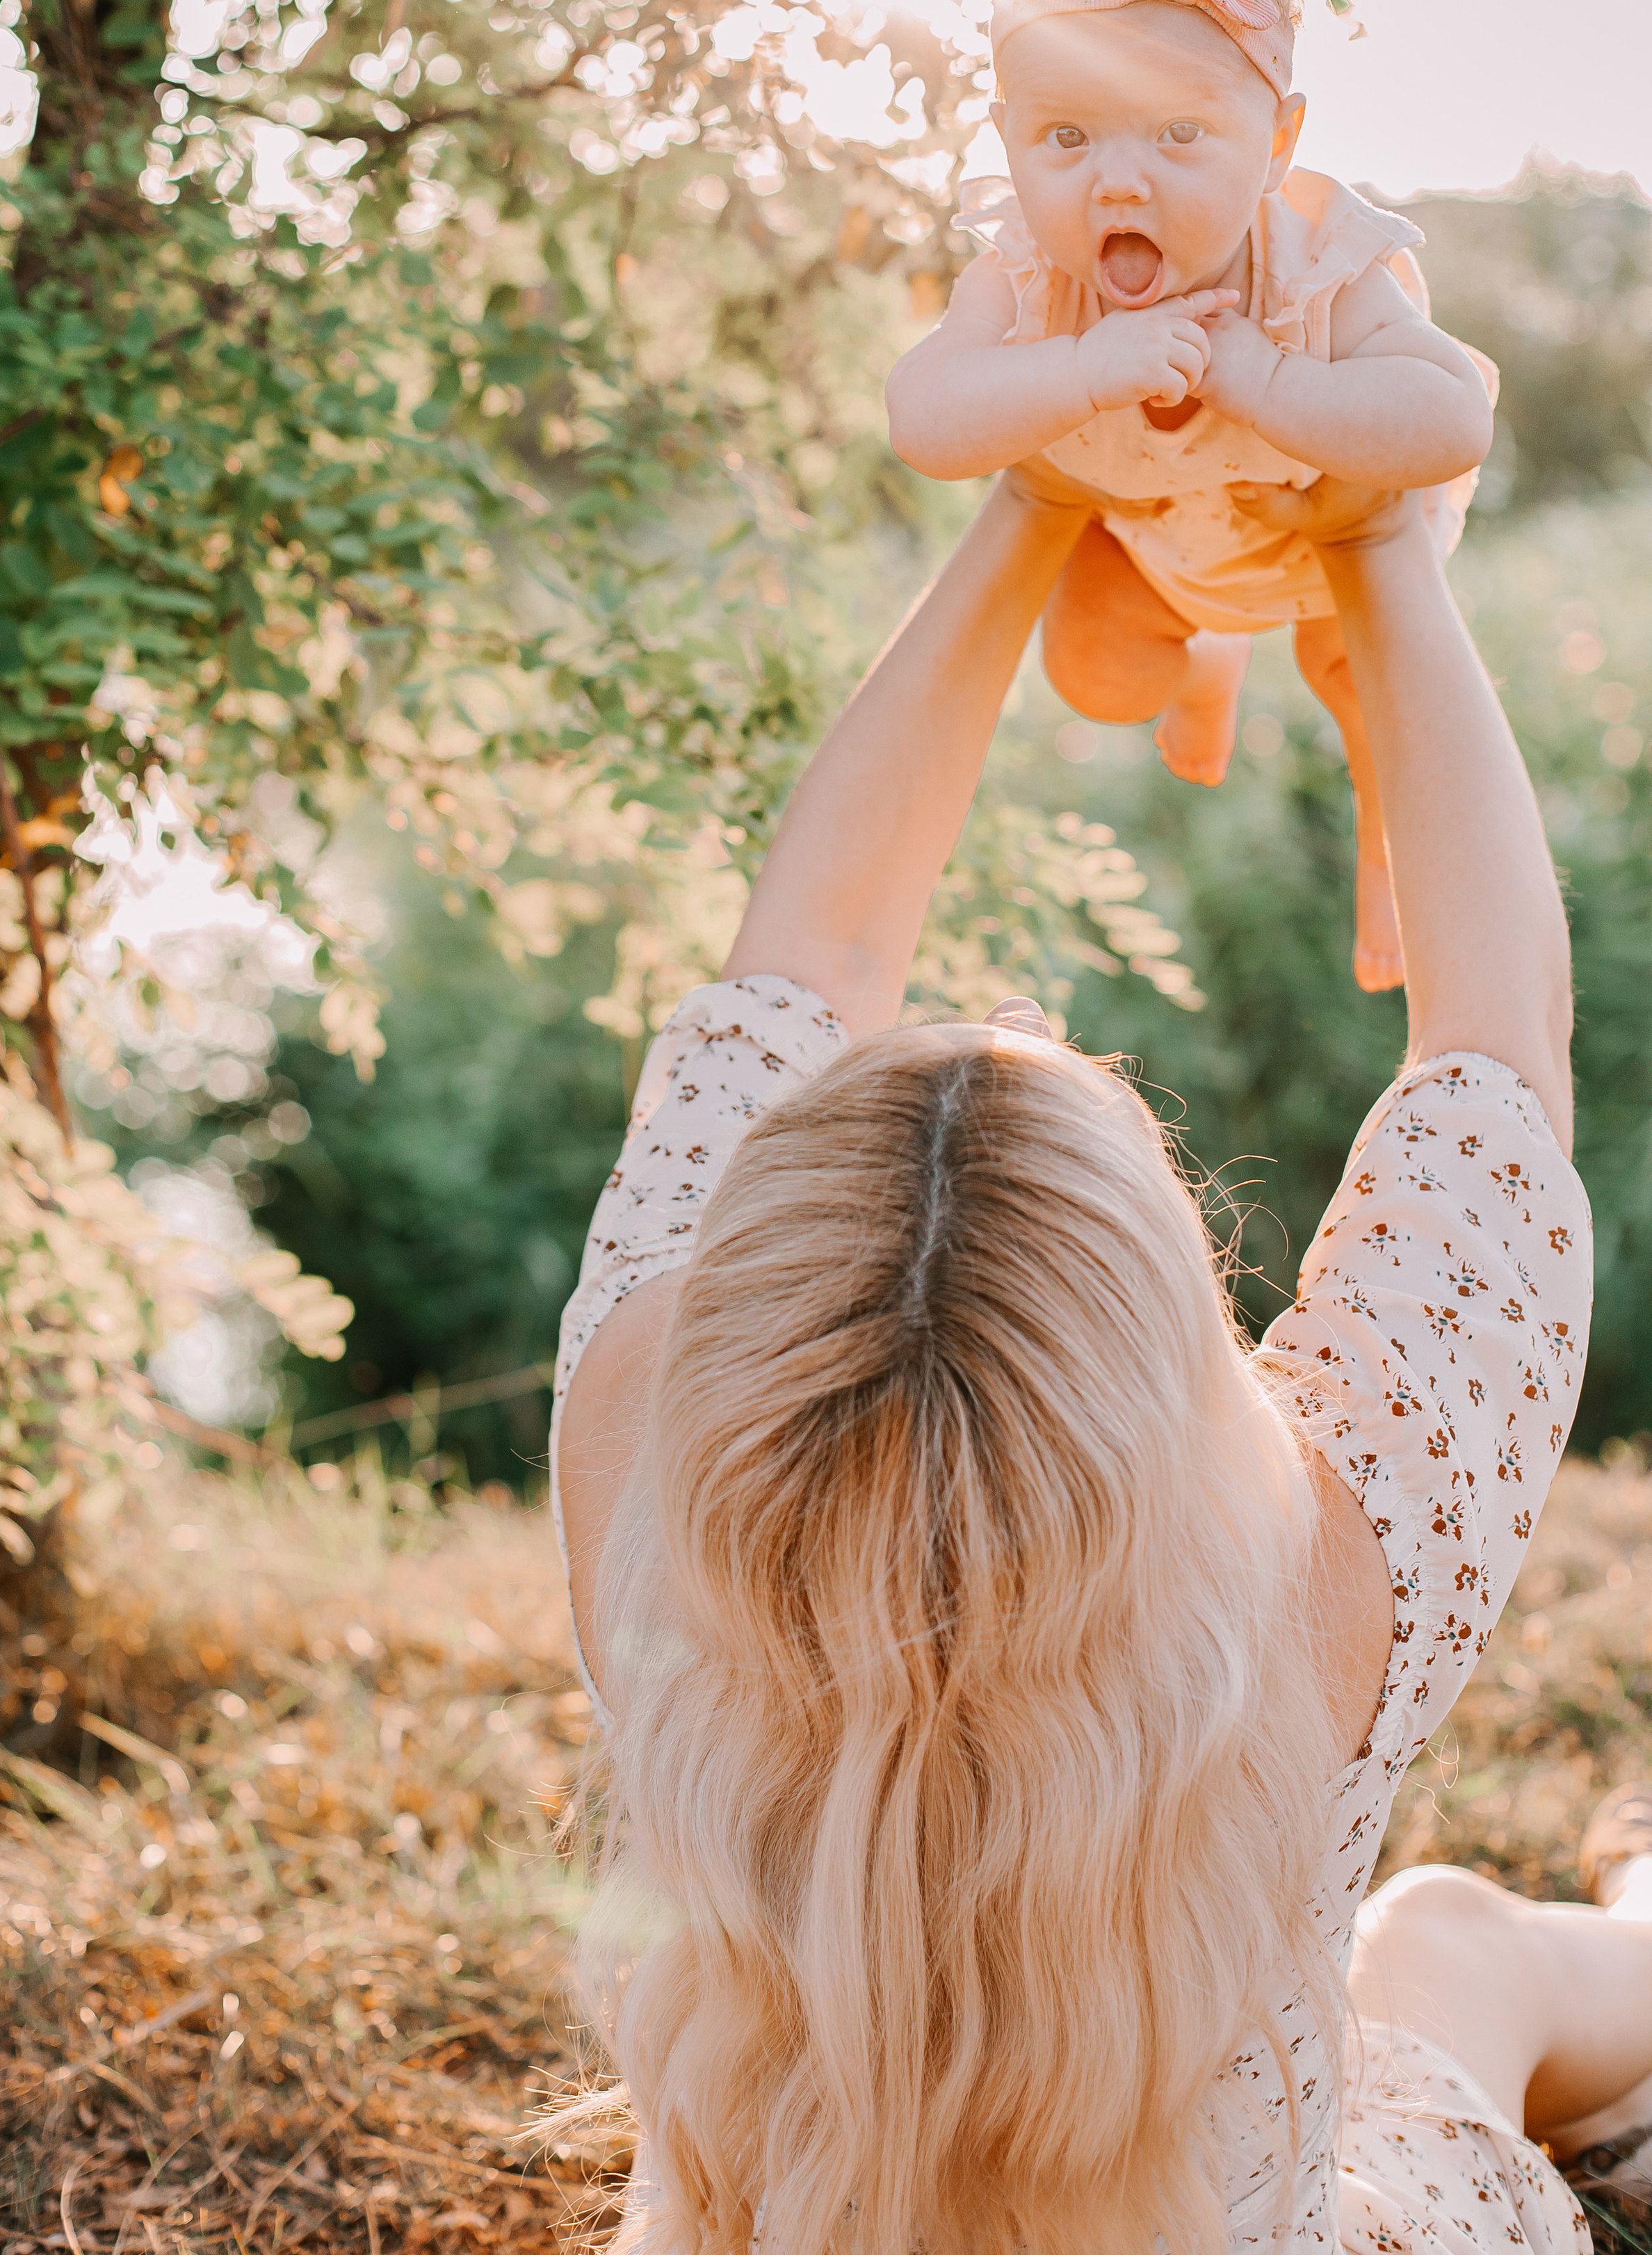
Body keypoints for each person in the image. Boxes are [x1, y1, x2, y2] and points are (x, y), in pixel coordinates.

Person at [549, 459, 1625, 2252]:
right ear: (1156, 1345)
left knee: (1429, 1963)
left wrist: (1036, 493)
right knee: (1438, 1942)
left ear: (745, 1297)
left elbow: (809, 946)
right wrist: (1368, 538)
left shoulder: (640, 1454)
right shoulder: (1325, 1561)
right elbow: (1498, 1033)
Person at [884, 0, 1498, 994]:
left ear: (1276, 141)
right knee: (1094, 675)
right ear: (1008, 136)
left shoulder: (1317, 263)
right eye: (1066, 137)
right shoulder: (1022, 281)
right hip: (1163, 544)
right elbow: (924, 418)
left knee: (1368, 690)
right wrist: (1080, 370)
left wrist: (1268, 382)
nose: (1119, 184)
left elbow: (1452, 416)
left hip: (1327, 548)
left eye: (1178, 136)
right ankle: (1206, 655)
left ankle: (1385, 857)